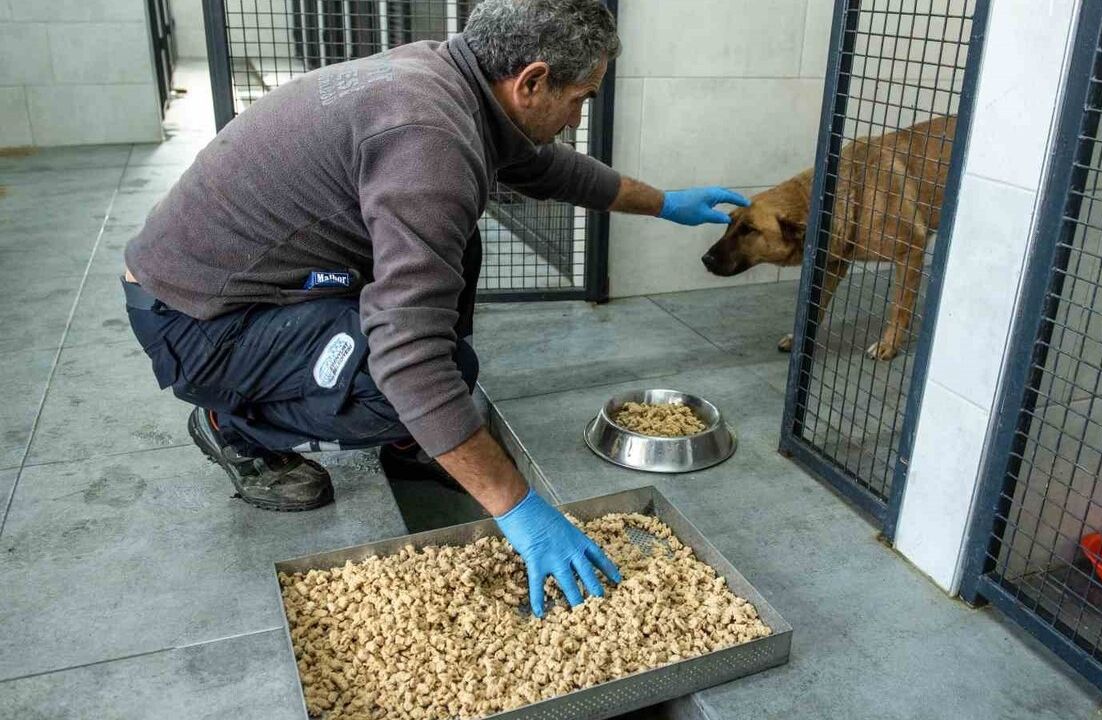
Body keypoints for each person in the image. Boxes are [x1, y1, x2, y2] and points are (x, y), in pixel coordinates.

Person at [122, 0, 747, 616]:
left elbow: (548, 169)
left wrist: (665, 202)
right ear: (530, 82)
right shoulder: (431, 140)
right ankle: (234, 426)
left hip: (257, 283)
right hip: (200, 321)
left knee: (453, 268)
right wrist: (518, 508)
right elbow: (410, 357)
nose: (578, 118)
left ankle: (408, 437)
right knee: (403, 381)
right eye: (581, 97)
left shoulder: (447, 80)